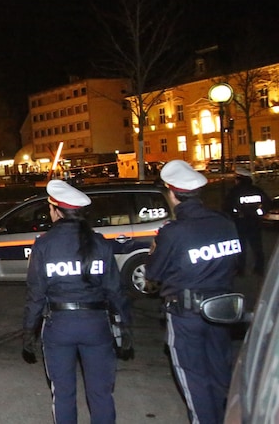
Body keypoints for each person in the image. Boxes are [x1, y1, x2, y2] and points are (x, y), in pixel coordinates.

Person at [22, 179, 132, 424]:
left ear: (55, 210)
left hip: (59, 327)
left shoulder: (44, 245)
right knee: (101, 394)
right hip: (96, 326)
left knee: (63, 394)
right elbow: (115, 290)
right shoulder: (101, 244)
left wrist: (29, 331)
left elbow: (36, 295)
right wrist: (125, 325)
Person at [145, 160, 240, 424]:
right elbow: (236, 264)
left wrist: (156, 248)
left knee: (194, 379)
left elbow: (153, 275)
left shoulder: (173, 233)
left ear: (172, 193)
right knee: (221, 374)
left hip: (187, 315)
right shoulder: (225, 224)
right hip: (222, 311)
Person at [224, 167, 270, 276]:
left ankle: (240, 270)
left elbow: (227, 207)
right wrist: (259, 213)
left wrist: (234, 216)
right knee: (257, 246)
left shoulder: (234, 191)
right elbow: (267, 203)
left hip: (240, 223)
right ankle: (259, 268)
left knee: (241, 247)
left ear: (239, 179)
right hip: (255, 222)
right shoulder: (257, 190)